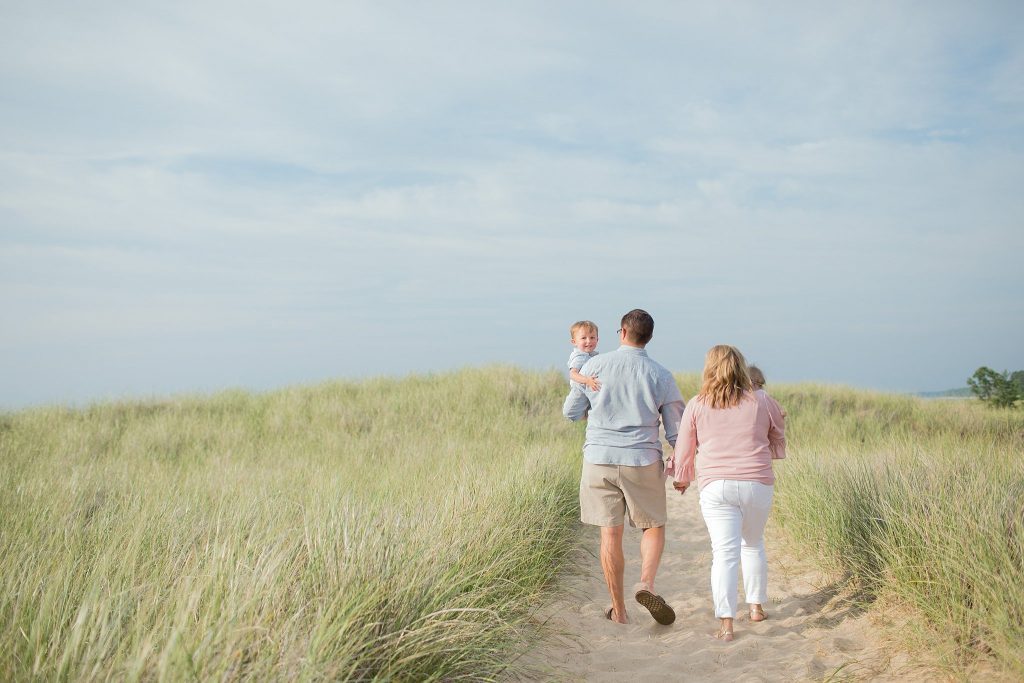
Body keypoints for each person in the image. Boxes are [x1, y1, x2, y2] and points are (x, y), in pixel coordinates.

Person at [563, 309, 685, 625]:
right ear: (649, 337)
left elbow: (572, 412)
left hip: (599, 459)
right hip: (641, 460)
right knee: (653, 525)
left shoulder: (593, 365)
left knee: (610, 534)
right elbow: (676, 431)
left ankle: (619, 611)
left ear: (622, 333)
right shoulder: (661, 375)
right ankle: (645, 583)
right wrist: (680, 467)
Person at [667, 345, 786, 642]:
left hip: (716, 485)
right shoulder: (761, 400)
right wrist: (769, 450)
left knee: (724, 554)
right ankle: (756, 608)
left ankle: (726, 624)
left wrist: (682, 479)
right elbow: (778, 431)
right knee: (753, 544)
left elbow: (685, 446)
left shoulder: (697, 403)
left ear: (709, 368)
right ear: (741, 368)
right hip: (757, 482)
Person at [567, 320, 601, 392]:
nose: (588, 341)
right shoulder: (580, 357)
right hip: (578, 393)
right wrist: (587, 380)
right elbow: (572, 374)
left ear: (597, 339)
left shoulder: (590, 355)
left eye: (592, 337)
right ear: (574, 342)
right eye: (583, 338)